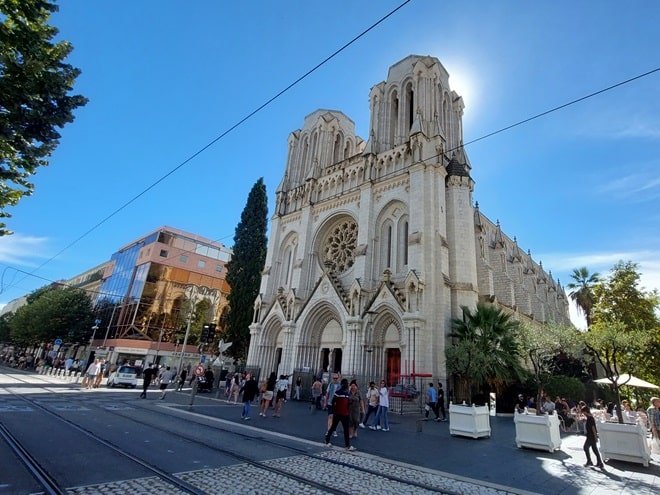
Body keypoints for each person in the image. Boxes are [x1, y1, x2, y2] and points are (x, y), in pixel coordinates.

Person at [325, 378, 355, 451]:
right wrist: (334, 410)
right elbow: (333, 402)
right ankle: (327, 441)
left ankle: (347, 445)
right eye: (346, 384)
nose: (347, 385)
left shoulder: (347, 393)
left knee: (345, 429)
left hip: (344, 414)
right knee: (333, 427)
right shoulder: (338, 392)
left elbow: (348, 403)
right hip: (338, 413)